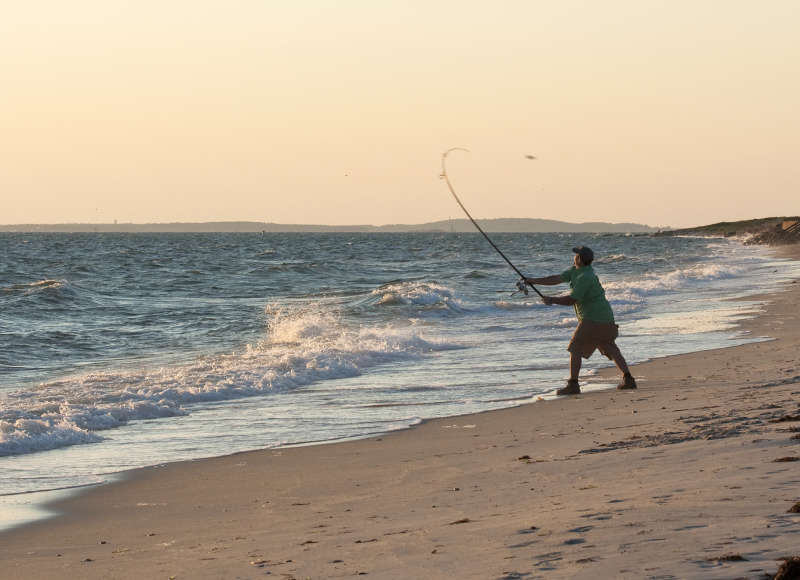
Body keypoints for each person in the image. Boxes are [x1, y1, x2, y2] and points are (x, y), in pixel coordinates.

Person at [526, 246, 636, 395]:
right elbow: (556, 278)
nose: (574, 257)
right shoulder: (576, 271)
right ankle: (628, 379)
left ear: (579, 258)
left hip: (593, 318)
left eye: (576, 255)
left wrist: (552, 299)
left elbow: (572, 300)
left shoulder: (585, 277)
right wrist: (533, 281)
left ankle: (573, 384)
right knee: (609, 346)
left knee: (575, 348)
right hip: (605, 317)